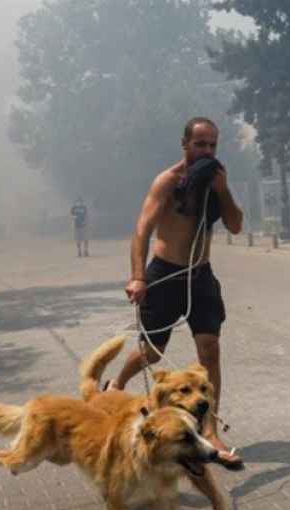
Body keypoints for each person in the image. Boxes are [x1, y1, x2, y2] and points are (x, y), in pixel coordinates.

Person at [104, 117, 245, 470]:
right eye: (200, 144)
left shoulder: (215, 182)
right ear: (184, 144)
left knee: (210, 349)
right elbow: (141, 231)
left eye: (212, 145)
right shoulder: (167, 182)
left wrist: (224, 190)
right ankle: (116, 384)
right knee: (151, 352)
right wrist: (138, 277)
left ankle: (210, 430)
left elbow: (236, 225)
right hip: (166, 275)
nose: (207, 151)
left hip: (201, 277)